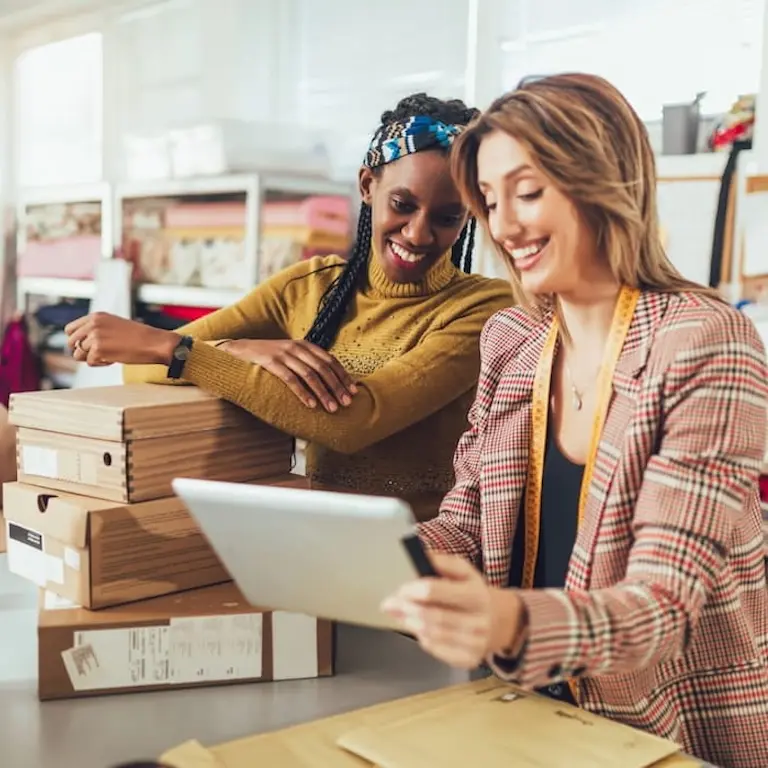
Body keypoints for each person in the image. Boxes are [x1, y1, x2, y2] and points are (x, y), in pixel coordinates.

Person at [382, 74, 768, 767]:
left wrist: (506, 622)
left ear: (602, 180)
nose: (504, 226)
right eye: (491, 202)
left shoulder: (704, 341)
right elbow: (468, 524)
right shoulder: (512, 341)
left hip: (665, 729)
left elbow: (661, 607)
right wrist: (384, 553)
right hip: (528, 710)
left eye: (527, 192)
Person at [65, 94, 513, 521]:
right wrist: (238, 349)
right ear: (367, 186)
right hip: (318, 549)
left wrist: (184, 351)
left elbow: (356, 421)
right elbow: (140, 366)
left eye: (447, 217)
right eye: (402, 204)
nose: (417, 234)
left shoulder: (483, 309)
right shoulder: (311, 285)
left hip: (428, 562)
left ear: (469, 216)